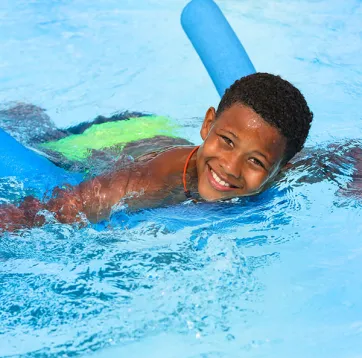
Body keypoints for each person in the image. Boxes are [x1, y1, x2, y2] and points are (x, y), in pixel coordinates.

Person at [0, 72, 314, 232]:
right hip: (103, 141)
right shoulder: (152, 182)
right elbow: (61, 208)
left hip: (151, 132)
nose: (231, 167)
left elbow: (337, 156)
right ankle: (25, 112)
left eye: (255, 161)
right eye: (227, 141)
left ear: (280, 170)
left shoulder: (282, 172)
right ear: (207, 126)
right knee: (44, 141)